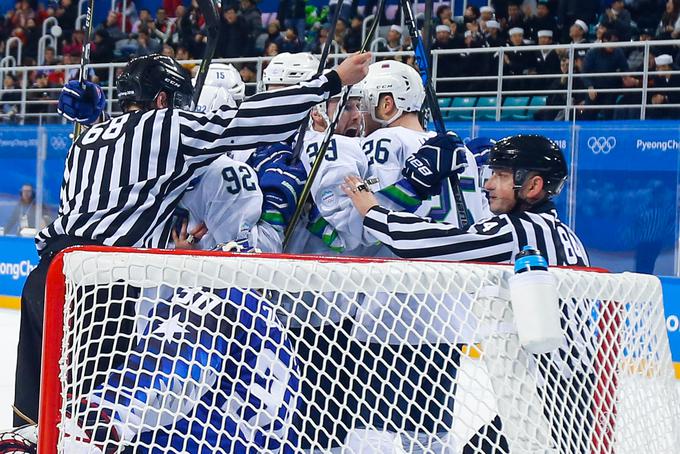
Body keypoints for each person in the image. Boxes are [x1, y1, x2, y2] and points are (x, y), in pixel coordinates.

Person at [11, 51, 371, 427]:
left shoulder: (89, 139)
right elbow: (246, 119)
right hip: (102, 288)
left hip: (47, 279)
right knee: (89, 418)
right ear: (163, 99)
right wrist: (331, 81)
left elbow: (116, 201)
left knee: (35, 415)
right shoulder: (167, 127)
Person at [344, 134, 591, 453]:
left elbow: (429, 243)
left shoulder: (517, 231)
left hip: (552, 396)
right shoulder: (566, 234)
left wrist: (372, 211)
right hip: (572, 390)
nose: (488, 184)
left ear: (532, 186)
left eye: (501, 175)